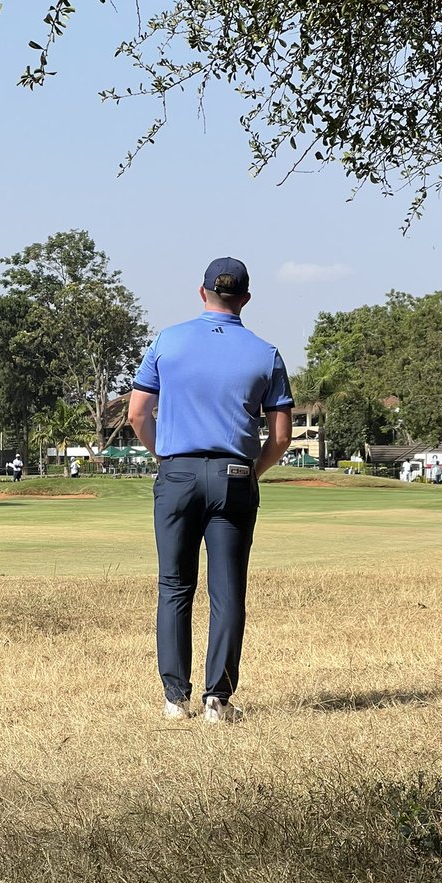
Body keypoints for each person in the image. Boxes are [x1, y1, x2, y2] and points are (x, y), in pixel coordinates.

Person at [128, 257, 294, 724]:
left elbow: (138, 413)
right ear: (245, 299)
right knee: (227, 591)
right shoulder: (266, 353)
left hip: (177, 472)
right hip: (234, 475)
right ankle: (217, 700)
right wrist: (252, 472)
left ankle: (174, 698)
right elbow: (281, 436)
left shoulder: (167, 341)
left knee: (174, 586)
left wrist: (165, 456)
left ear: (202, 293)